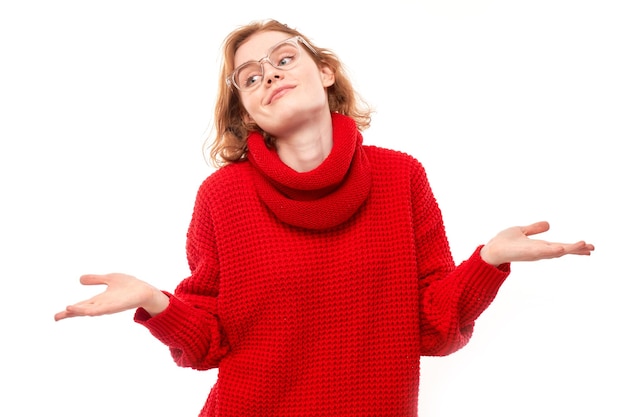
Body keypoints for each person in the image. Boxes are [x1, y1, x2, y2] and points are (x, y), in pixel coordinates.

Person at [54, 19, 594, 416]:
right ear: (246, 111)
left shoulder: (400, 177)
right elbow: (209, 344)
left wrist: (488, 261)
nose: (268, 75)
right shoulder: (223, 196)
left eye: (284, 59)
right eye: (249, 77)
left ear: (326, 72)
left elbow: (431, 329)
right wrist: (157, 303)